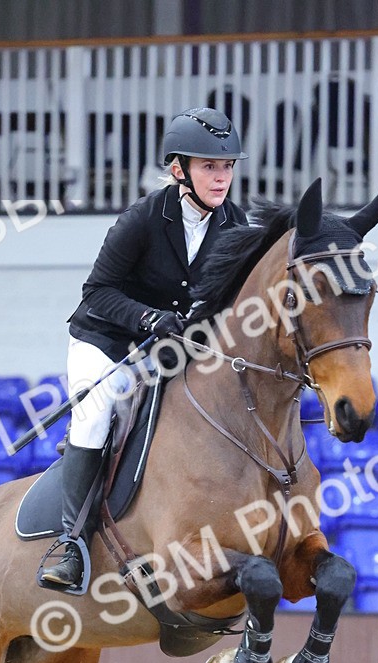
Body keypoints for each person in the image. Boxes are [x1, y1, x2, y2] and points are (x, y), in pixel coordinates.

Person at [39, 107, 249, 591]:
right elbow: (97, 292)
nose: (221, 177)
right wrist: (149, 318)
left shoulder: (235, 224)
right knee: (95, 412)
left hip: (171, 349)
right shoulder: (143, 218)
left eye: (227, 167)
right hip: (108, 341)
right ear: (179, 170)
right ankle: (70, 542)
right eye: (208, 167)